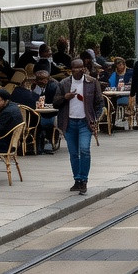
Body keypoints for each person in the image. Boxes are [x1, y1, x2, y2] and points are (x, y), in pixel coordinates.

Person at [58, 59, 100, 194]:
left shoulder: (92, 82)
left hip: (85, 123)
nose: (80, 69)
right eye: (77, 68)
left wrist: (95, 119)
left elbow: (99, 103)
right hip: (69, 123)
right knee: (74, 153)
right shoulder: (64, 83)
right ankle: (77, 180)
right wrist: (65, 97)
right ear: (71, 70)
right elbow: (55, 102)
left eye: (82, 67)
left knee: (84, 150)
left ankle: (84, 180)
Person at [108, 57, 133, 122]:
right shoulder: (114, 74)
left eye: (121, 65)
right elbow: (111, 85)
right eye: (118, 65)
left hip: (128, 94)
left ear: (124, 65)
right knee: (111, 100)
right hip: (117, 94)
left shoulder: (130, 72)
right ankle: (112, 122)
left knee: (132, 96)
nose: (120, 67)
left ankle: (130, 110)